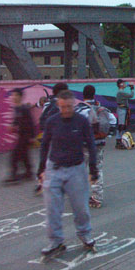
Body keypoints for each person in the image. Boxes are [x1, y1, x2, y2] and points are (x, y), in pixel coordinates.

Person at [37, 90, 98, 257]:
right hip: (54, 169)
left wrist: (93, 169)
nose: (66, 110)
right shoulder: (52, 122)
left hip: (76, 170)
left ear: (74, 104)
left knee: (81, 208)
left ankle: (85, 234)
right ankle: (56, 241)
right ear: (58, 105)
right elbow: (44, 145)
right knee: (52, 209)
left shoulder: (81, 121)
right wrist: (40, 169)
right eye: (63, 107)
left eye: (69, 106)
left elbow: (91, 144)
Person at [75, 85, 117, 209]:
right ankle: (97, 197)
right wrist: (108, 135)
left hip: (82, 146)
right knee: (97, 169)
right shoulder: (101, 109)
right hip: (98, 144)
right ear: (94, 95)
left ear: (83, 95)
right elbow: (113, 121)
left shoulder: (78, 109)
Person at [36, 82, 68, 194]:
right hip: (56, 136)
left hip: (46, 135)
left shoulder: (48, 102)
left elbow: (41, 119)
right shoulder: (59, 104)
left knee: (46, 159)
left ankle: (41, 180)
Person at [2, 88, 36, 184]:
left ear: (21, 97)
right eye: (12, 95)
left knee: (15, 155)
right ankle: (29, 173)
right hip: (21, 135)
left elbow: (31, 123)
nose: (13, 97)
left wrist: (32, 137)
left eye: (16, 95)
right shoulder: (17, 108)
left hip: (26, 136)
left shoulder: (24, 109)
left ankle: (14, 175)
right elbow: (17, 120)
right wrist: (12, 125)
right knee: (24, 155)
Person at [115, 79, 134, 149]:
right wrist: (132, 88)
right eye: (123, 83)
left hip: (123, 109)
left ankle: (121, 139)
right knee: (121, 125)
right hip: (122, 109)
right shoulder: (120, 92)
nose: (125, 84)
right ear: (120, 84)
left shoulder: (121, 92)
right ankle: (119, 140)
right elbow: (131, 95)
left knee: (122, 124)